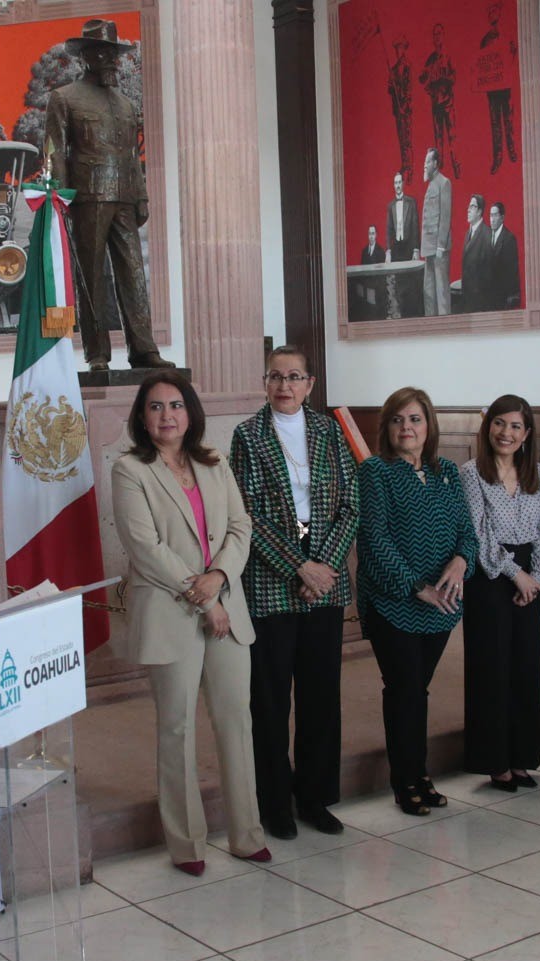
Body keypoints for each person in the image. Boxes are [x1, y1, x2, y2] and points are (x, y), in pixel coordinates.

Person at [112, 371, 268, 874]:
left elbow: (241, 526)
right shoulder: (129, 469)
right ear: (142, 416)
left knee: (236, 722)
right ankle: (187, 845)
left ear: (190, 412)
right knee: (177, 729)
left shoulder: (214, 460)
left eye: (175, 405)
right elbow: (145, 549)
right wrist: (205, 598)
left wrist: (219, 576)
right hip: (173, 611)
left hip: (225, 605)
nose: (166, 416)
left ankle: (247, 834)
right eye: (155, 407)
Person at [230, 347, 359, 840]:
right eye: (276, 377)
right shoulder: (248, 436)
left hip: (324, 586)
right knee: (270, 701)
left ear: (310, 383)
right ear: (265, 383)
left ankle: (315, 798)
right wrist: (299, 566)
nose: (285, 386)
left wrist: (324, 567)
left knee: (321, 696)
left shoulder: (328, 431)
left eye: (295, 377)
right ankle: (274, 805)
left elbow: (351, 503)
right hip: (270, 586)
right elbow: (246, 515)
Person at [357, 387, 476, 816]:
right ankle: (405, 779)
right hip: (393, 601)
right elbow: (375, 540)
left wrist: (463, 561)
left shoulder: (447, 471)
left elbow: (467, 530)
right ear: (387, 428)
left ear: (429, 426)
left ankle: (419, 773)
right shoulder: (375, 472)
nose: (406, 428)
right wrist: (416, 586)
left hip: (441, 606)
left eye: (415, 419)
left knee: (417, 691)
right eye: (397, 420)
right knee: (404, 689)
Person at [43, 18, 173, 370]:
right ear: (87, 56)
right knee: (92, 274)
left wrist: (142, 195)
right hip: (86, 196)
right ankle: (97, 353)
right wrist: (60, 196)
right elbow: (55, 149)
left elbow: (133, 155)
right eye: (105, 54)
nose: (114, 61)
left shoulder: (126, 104)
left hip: (125, 198)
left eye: (115, 54)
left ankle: (143, 348)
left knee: (133, 272)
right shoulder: (64, 98)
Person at [460, 396, 540, 791]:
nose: (506, 433)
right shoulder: (471, 473)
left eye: (515, 426)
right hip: (490, 579)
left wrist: (536, 578)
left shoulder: (536, 474)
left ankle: (521, 758)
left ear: (527, 434)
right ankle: (494, 760)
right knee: (492, 669)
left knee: (526, 669)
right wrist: (517, 576)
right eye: (499, 424)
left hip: (528, 580)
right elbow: (478, 535)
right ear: (488, 428)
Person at [479, 2, 518, 174]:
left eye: (495, 12)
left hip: (505, 87)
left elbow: (513, 57)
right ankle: (498, 156)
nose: (492, 16)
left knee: (508, 120)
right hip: (492, 90)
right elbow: (481, 64)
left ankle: (511, 150)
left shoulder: (507, 36)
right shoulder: (485, 40)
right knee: (495, 124)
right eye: (490, 13)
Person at [420, 24, 461, 178]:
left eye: (439, 34)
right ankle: (440, 171)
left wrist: (442, 78)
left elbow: (454, 77)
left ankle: (456, 166)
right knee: (438, 139)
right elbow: (423, 79)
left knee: (452, 136)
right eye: (434, 35)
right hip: (435, 103)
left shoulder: (448, 56)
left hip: (447, 101)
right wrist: (426, 78)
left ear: (443, 36)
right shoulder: (430, 59)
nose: (437, 37)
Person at [420, 147, 452, 316]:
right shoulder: (431, 184)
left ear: (435, 163)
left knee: (441, 293)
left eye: (427, 162)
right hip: (428, 249)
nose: (424, 165)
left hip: (439, 249)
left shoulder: (444, 183)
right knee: (429, 292)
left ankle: (445, 326)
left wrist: (440, 246)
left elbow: (445, 217)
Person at [386, 33, 414, 181]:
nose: (399, 51)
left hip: (406, 109)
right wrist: (391, 83)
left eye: (401, 48)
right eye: (397, 48)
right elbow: (390, 90)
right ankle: (404, 164)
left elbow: (409, 89)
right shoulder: (393, 69)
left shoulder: (408, 66)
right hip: (398, 109)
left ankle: (410, 168)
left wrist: (405, 105)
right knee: (401, 138)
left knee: (407, 139)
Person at [460, 193, 492, 313]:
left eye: (472, 207)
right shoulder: (468, 233)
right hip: (468, 298)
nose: (468, 210)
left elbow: (489, 272)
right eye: (469, 206)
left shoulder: (487, 234)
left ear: (479, 211)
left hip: (481, 301)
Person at [488, 202, 521, 309]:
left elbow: (511, 273)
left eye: (495, 215)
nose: (492, 219)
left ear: (502, 218)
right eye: (491, 215)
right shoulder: (487, 237)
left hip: (503, 298)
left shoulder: (509, 239)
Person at [387, 171, 418, 262]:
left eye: (399, 182)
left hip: (408, 247)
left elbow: (415, 227)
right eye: (396, 183)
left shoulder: (411, 202)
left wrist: (416, 249)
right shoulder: (390, 205)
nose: (398, 185)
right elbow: (389, 229)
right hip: (395, 248)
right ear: (393, 185)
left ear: (403, 184)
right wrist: (388, 251)